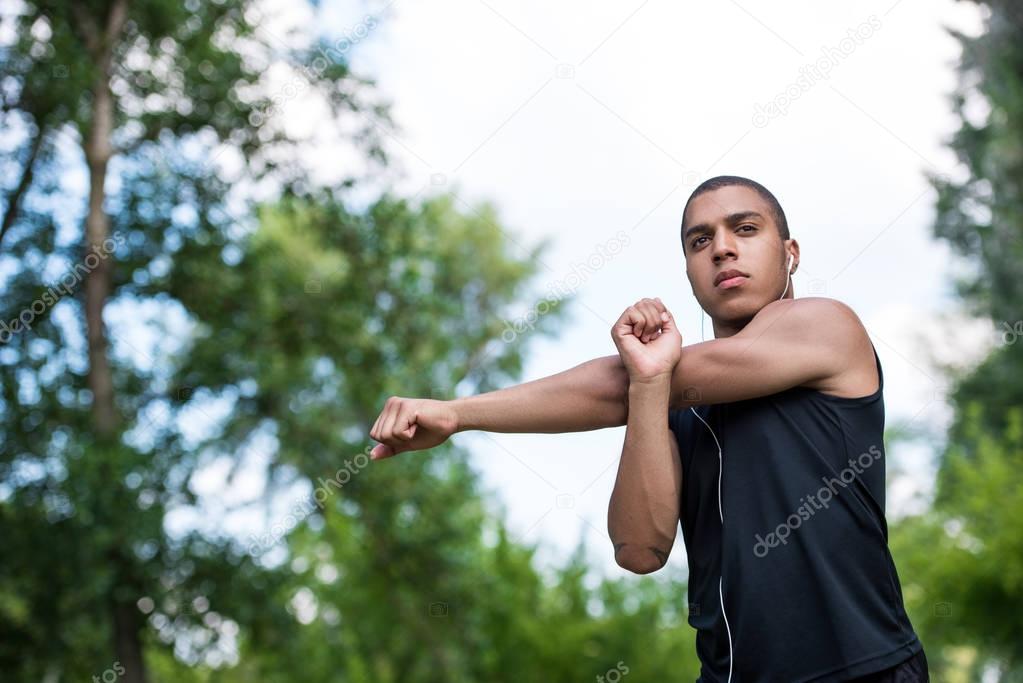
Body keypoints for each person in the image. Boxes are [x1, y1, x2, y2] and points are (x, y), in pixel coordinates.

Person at [368, 175, 928, 682]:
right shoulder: (666, 395)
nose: (723, 248)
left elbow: (614, 385)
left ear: (791, 253)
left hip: (864, 669)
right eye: (699, 241)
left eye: (746, 229)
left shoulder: (825, 325)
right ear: (688, 270)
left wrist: (458, 414)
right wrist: (648, 388)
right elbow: (639, 550)